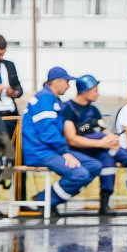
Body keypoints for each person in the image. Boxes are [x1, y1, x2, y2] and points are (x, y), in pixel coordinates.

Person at [21, 68, 98, 215]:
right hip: (40, 151)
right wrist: (65, 152)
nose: (69, 86)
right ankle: (42, 200)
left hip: (51, 150)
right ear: (56, 82)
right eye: (67, 82)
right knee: (79, 174)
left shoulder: (52, 98)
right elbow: (48, 132)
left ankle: (50, 200)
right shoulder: (45, 99)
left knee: (94, 166)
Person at [61, 74, 122, 216]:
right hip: (75, 151)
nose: (98, 93)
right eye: (95, 90)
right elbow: (71, 139)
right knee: (103, 141)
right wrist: (101, 142)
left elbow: (104, 130)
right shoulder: (68, 108)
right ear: (84, 91)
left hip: (95, 149)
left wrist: (112, 140)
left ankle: (105, 202)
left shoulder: (94, 109)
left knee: (108, 157)